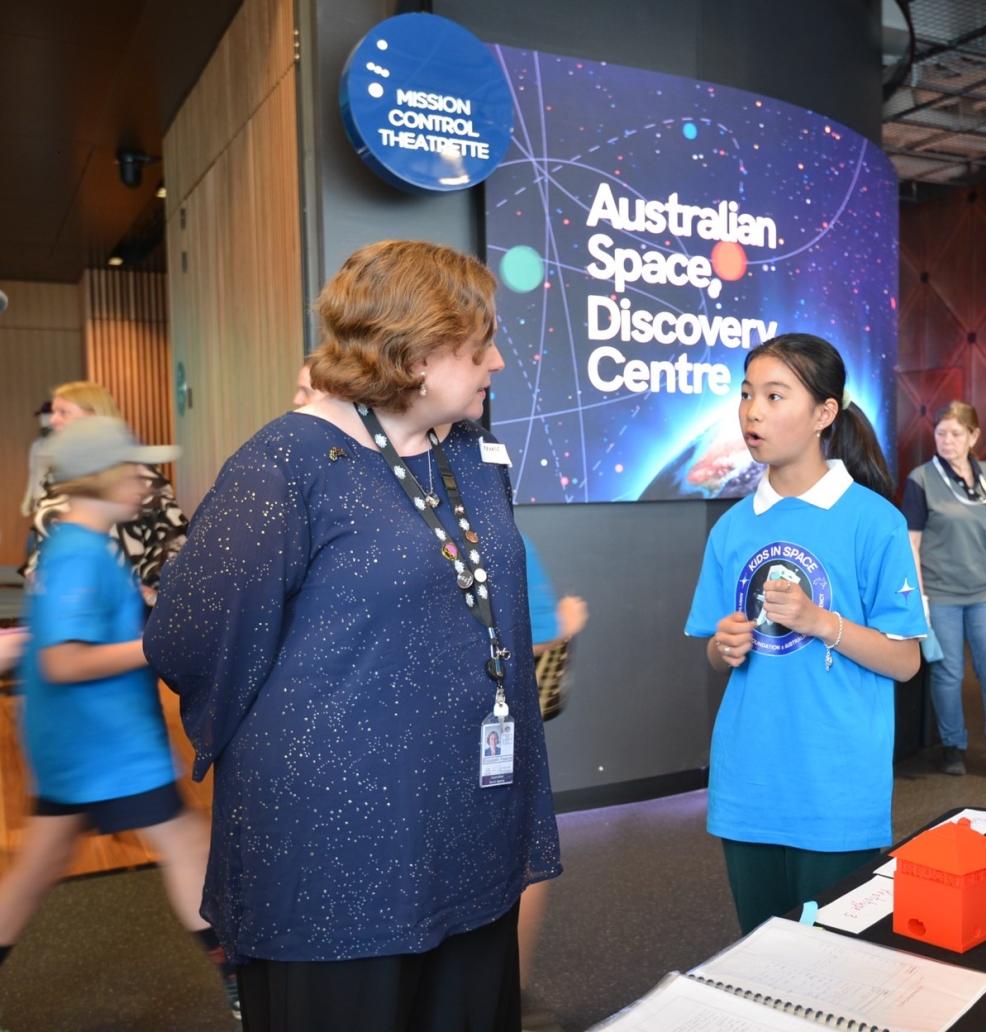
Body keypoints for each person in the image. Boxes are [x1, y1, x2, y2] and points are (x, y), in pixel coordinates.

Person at [143, 240, 560, 1031]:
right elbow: (190, 637)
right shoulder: (284, 464)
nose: (497, 362)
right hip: (336, 843)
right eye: (481, 346)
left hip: (470, 816)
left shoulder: (471, 455)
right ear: (417, 354)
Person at [685, 333, 925, 935]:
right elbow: (716, 655)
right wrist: (724, 645)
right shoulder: (733, 527)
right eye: (746, 395)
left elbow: (905, 662)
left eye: (773, 395)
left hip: (836, 788)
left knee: (836, 971)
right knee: (760, 959)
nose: (752, 412)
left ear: (824, 414)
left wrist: (821, 623)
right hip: (748, 783)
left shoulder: (875, 521)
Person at [0, 416, 237, 1018]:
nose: (144, 477)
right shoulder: (79, 553)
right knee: (187, 843)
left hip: (86, 745)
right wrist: (160, 641)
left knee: (42, 863)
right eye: (133, 466)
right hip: (103, 748)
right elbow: (62, 661)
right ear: (101, 476)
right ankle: (239, 985)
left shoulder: (79, 547)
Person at [903, 401, 986, 782]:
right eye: (941, 433)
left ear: (973, 437)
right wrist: (920, 598)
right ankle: (953, 746)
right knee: (948, 674)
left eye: (956, 433)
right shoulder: (921, 479)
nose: (946, 440)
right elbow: (912, 543)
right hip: (941, 592)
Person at [20, 380, 188, 605]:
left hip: (130, 602)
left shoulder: (139, 475)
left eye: (64, 412)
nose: (53, 420)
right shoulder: (56, 477)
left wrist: (151, 592)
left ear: (94, 415)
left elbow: (172, 540)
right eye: (54, 412)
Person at [517, 533, 588, 1029]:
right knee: (523, 856)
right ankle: (509, 992)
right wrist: (566, 623)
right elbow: (539, 631)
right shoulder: (490, 522)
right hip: (488, 740)